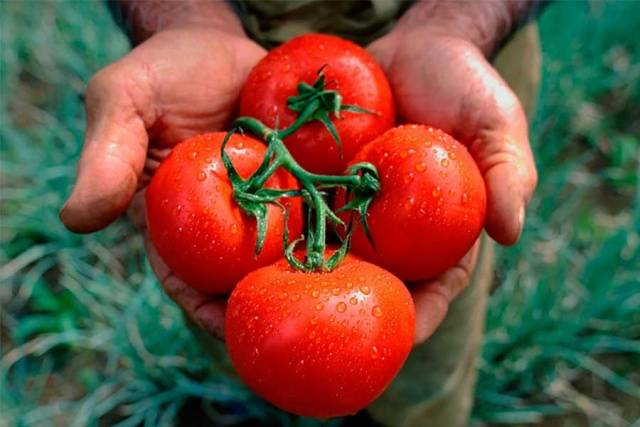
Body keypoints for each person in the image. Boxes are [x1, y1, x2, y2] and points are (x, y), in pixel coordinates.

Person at [60, 1, 542, 426]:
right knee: (231, 341)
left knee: (430, 366)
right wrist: (184, 16)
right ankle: (257, 401)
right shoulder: (240, 180)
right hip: (209, 63)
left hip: (456, 52)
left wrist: (455, 21)